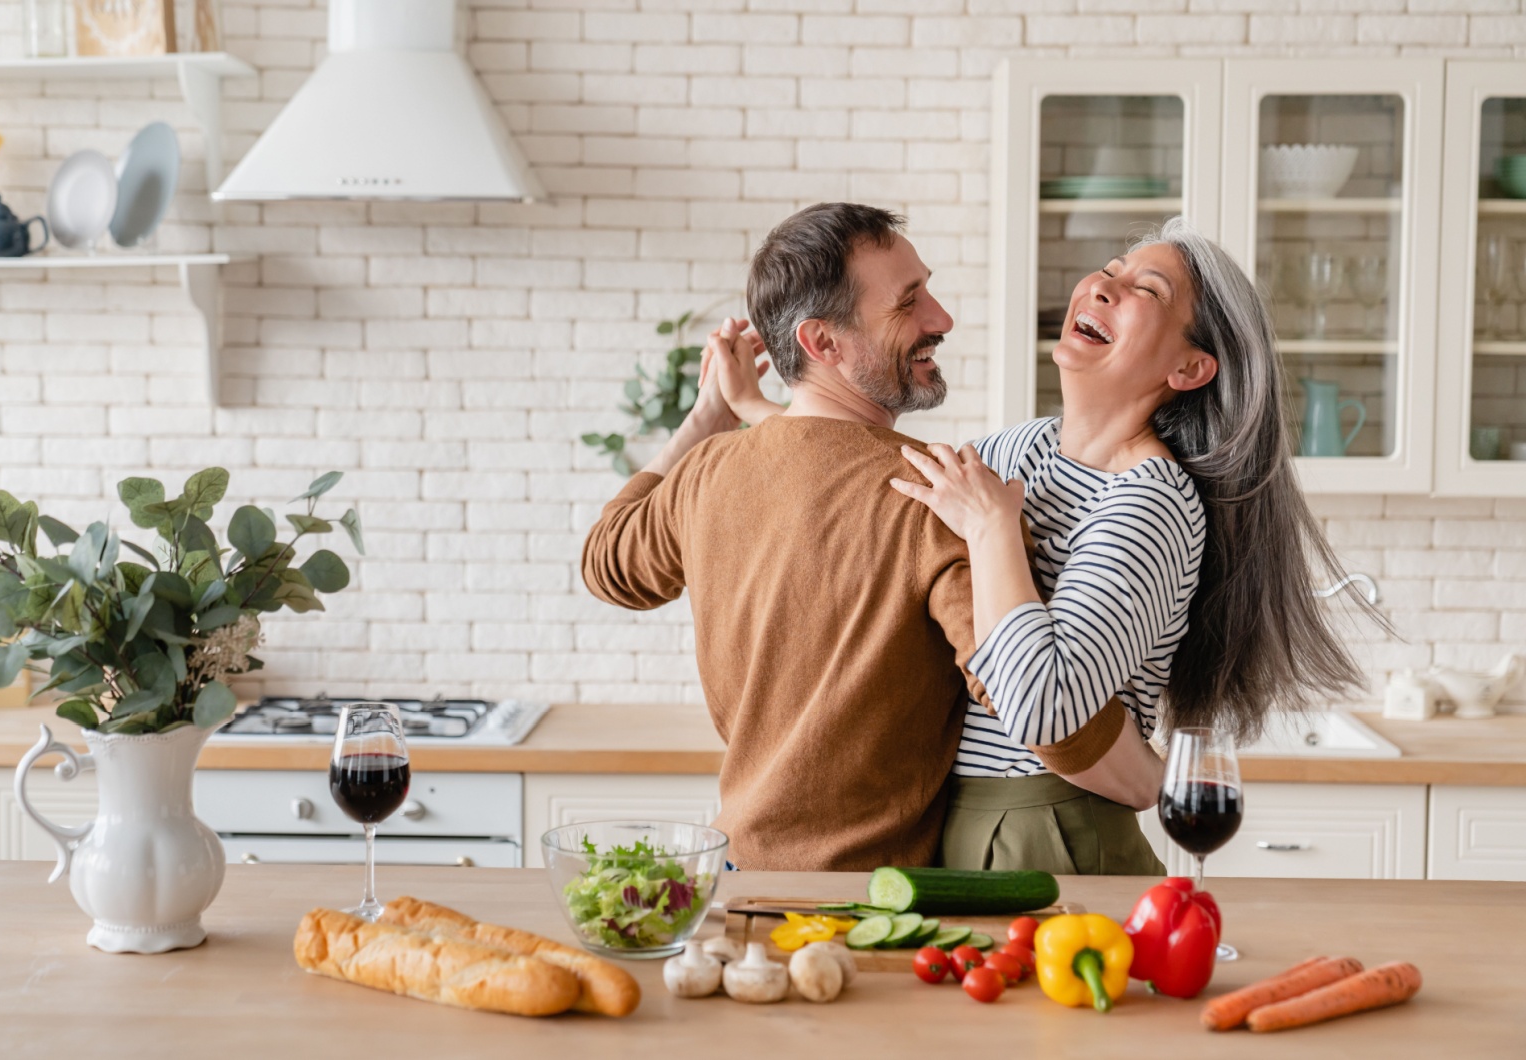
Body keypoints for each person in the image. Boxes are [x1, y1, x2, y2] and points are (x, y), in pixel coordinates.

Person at [715, 214, 1369, 874]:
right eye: (1110, 270)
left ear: (1190, 366)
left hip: (1053, 829)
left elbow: (1046, 709)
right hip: (958, 824)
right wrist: (756, 409)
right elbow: (877, 475)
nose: (1103, 287)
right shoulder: (1020, 449)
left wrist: (995, 530)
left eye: (1147, 290)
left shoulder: (1150, 501)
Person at [582, 203, 992, 871]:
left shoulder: (709, 470)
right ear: (822, 343)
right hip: (870, 902)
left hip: (736, 879)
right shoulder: (935, 493)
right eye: (909, 303)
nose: (940, 319)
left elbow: (607, 563)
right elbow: (1026, 696)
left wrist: (704, 419)